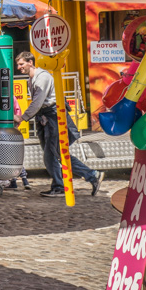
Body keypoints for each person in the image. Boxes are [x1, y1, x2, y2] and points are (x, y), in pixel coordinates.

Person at [14, 51, 103, 198]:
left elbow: (37, 103)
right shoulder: (33, 78)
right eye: (18, 64)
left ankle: (84, 177)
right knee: (55, 154)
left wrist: (22, 118)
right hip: (47, 118)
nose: (19, 67)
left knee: (54, 154)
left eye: (21, 64)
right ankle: (75, 181)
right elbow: (38, 104)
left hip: (53, 118)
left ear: (30, 62)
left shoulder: (42, 77)